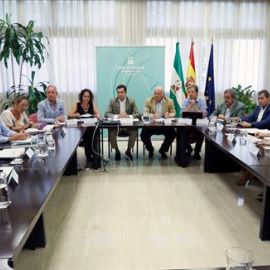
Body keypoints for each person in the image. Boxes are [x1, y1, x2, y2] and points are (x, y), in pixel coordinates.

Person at [236, 90, 270, 186]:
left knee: (257, 153)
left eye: (262, 98)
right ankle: (250, 171)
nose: (259, 101)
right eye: (258, 98)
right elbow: (251, 117)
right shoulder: (258, 108)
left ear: (268, 98)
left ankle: (249, 173)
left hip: (264, 135)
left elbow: (266, 122)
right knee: (243, 145)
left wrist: (250, 124)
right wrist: (240, 119)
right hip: (255, 134)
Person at [105, 84, 141, 160]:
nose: (120, 94)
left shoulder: (131, 101)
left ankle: (128, 151)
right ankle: (117, 151)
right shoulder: (112, 101)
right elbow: (107, 114)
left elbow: (138, 114)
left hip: (128, 126)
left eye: (122, 92)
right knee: (111, 131)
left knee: (134, 131)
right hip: (117, 126)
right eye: (118, 92)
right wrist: (116, 116)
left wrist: (128, 116)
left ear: (125, 92)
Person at [140, 86, 176, 159]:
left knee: (172, 134)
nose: (155, 95)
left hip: (164, 126)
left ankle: (163, 150)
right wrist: (153, 115)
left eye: (158, 94)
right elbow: (145, 113)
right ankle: (150, 149)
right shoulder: (148, 100)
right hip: (151, 125)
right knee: (143, 134)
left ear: (163, 95)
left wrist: (169, 115)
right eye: (154, 93)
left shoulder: (169, 101)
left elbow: (173, 113)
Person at [68, 89, 100, 165]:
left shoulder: (92, 105)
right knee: (87, 136)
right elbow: (69, 115)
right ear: (81, 97)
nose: (86, 98)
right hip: (81, 129)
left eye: (88, 97)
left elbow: (98, 114)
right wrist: (76, 115)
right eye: (85, 96)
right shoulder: (77, 105)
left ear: (90, 98)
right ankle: (90, 155)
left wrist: (98, 115)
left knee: (93, 134)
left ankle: (94, 156)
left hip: (90, 128)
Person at [182, 84, 208, 160]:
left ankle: (197, 152)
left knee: (200, 135)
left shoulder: (202, 101)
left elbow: (203, 115)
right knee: (182, 133)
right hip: (187, 125)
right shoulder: (185, 101)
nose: (190, 93)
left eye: (192, 92)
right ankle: (189, 149)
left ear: (196, 93)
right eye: (189, 92)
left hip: (198, 125)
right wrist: (190, 105)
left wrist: (194, 106)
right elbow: (182, 114)